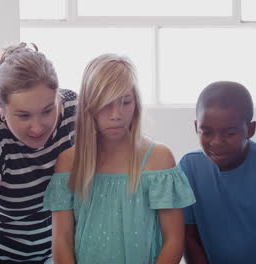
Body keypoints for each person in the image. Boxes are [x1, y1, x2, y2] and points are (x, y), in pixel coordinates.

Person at [44, 54, 196, 264]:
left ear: (136, 103)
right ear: (89, 106)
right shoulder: (69, 162)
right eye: (106, 104)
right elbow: (61, 241)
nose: (116, 114)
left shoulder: (158, 159)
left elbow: (174, 241)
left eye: (126, 102)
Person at [0, 42, 77, 264]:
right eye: (23, 116)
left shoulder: (74, 112)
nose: (37, 127)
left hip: (52, 247)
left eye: (48, 110)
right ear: (0, 106)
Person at [181, 81, 256, 264]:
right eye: (206, 132)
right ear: (196, 127)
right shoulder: (189, 167)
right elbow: (188, 236)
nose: (216, 142)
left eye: (229, 133)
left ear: (250, 130)